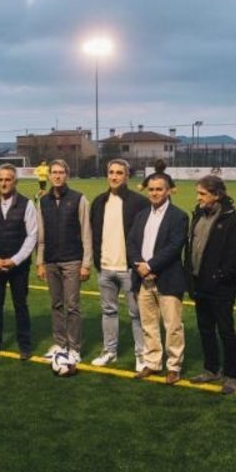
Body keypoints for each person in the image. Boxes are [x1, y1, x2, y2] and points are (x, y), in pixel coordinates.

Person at [186, 175, 236, 394]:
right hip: (199, 284)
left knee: (225, 330)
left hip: (221, 287)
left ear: (217, 195)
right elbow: (192, 247)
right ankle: (211, 369)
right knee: (205, 329)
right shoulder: (198, 214)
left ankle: (232, 375)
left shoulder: (234, 219)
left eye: (202, 193)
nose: (198, 197)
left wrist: (219, 276)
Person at [127, 173, 189, 385]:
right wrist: (140, 266)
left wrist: (151, 265)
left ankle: (174, 366)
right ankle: (152, 362)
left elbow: (174, 247)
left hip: (168, 279)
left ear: (169, 190)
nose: (154, 193)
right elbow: (131, 242)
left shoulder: (179, 216)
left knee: (173, 326)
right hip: (143, 279)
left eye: (159, 189)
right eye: (151, 189)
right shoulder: (142, 214)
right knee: (148, 324)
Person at [88, 158, 148, 370]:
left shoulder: (139, 202)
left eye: (119, 173)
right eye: (111, 172)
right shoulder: (98, 202)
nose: (114, 176)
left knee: (136, 314)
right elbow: (93, 234)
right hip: (105, 268)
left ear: (127, 176)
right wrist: (96, 261)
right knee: (108, 312)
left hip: (129, 270)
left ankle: (142, 355)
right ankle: (109, 352)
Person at [0, 163, 38, 360]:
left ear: (15, 182)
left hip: (18, 267)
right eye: (1, 179)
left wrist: (15, 260)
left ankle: (25, 345)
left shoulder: (27, 204)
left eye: (8, 179)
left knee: (20, 305)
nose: (4, 183)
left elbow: (32, 236)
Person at [36, 159, 92, 367]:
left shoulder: (79, 199)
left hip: (72, 260)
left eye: (61, 172)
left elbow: (87, 233)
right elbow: (41, 235)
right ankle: (60, 344)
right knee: (56, 304)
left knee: (72, 306)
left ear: (67, 175)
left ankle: (74, 348)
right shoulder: (42, 201)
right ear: (49, 176)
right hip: (50, 260)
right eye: (54, 172)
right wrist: (40, 261)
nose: (57, 176)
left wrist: (86, 263)